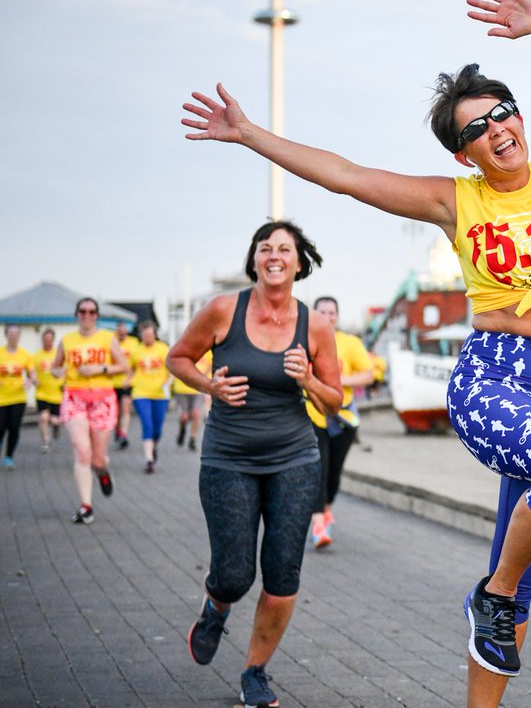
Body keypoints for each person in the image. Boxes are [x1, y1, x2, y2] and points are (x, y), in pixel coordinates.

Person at [181, 0, 531, 708]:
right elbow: (346, 176)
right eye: (476, 129)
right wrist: (250, 134)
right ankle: (491, 594)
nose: (497, 130)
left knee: (521, 578)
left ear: (519, 116)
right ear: (463, 154)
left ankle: (494, 614)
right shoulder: (455, 201)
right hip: (495, 376)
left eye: (502, 113)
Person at [166, 220, 342, 708]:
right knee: (234, 575)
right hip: (228, 458)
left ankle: (254, 673)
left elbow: (334, 401)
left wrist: (308, 380)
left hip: (294, 459)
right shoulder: (223, 310)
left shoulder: (316, 325)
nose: (274, 256)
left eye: (284, 249)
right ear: (255, 260)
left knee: (283, 577)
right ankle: (215, 607)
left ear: (299, 263)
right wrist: (210, 385)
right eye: (266, 248)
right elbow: (178, 358)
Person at [305, 296, 375, 549]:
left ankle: (326, 510)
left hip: (343, 417)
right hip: (313, 414)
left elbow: (368, 375)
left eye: (331, 312)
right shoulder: (305, 340)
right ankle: (318, 524)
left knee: (333, 472)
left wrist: (337, 380)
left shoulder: (350, 343)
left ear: (338, 316)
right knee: (318, 467)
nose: (327, 316)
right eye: (322, 312)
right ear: (314, 314)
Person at [53, 298, 129, 523]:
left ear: (97, 315)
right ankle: (86, 506)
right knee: (82, 452)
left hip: (102, 399)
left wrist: (100, 368)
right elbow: (56, 366)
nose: (87, 315)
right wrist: (58, 372)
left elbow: (124, 366)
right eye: (83, 311)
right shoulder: (67, 340)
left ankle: (103, 472)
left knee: (97, 459)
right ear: (77, 314)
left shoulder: (107, 338)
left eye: (92, 311)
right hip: (74, 397)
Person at [128, 320, 172, 473]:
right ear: (141, 335)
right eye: (145, 335)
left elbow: (172, 369)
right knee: (147, 423)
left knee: (157, 428)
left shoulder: (163, 349)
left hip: (160, 394)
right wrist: (128, 380)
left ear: (155, 335)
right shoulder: (136, 350)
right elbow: (131, 368)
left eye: (150, 335)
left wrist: (169, 382)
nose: (148, 338)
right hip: (140, 393)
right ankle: (148, 459)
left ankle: (154, 446)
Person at [0, 324, 34, 469]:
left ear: (19, 336)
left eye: (16, 334)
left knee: (14, 427)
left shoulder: (25, 355)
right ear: (6, 335)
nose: (13, 337)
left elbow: (32, 373)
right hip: (1, 398)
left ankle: (8, 457)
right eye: (11, 334)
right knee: (0, 427)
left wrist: (30, 380)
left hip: (18, 398)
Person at [33, 328, 64, 453]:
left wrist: (64, 383)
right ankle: (46, 442)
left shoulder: (58, 355)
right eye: (45, 339)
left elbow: (65, 370)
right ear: (42, 340)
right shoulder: (36, 356)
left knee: (55, 419)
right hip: (42, 392)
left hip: (57, 393)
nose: (47, 341)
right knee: (43, 417)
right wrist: (34, 380)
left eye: (50, 339)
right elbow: (32, 372)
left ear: (53, 340)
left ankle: (56, 426)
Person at [172, 350, 211, 451]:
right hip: (182, 388)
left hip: (198, 389)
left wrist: (202, 378)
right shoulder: (184, 348)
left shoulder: (207, 351)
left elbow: (210, 365)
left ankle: (192, 439)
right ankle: (182, 428)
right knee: (184, 416)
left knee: (196, 414)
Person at [111, 320, 138, 450]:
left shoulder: (133, 343)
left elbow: (135, 365)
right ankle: (117, 430)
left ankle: (123, 434)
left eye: (124, 331)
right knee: (116, 411)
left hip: (127, 382)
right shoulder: (111, 341)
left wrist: (129, 378)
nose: (122, 333)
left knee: (126, 408)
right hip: (112, 382)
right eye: (119, 331)